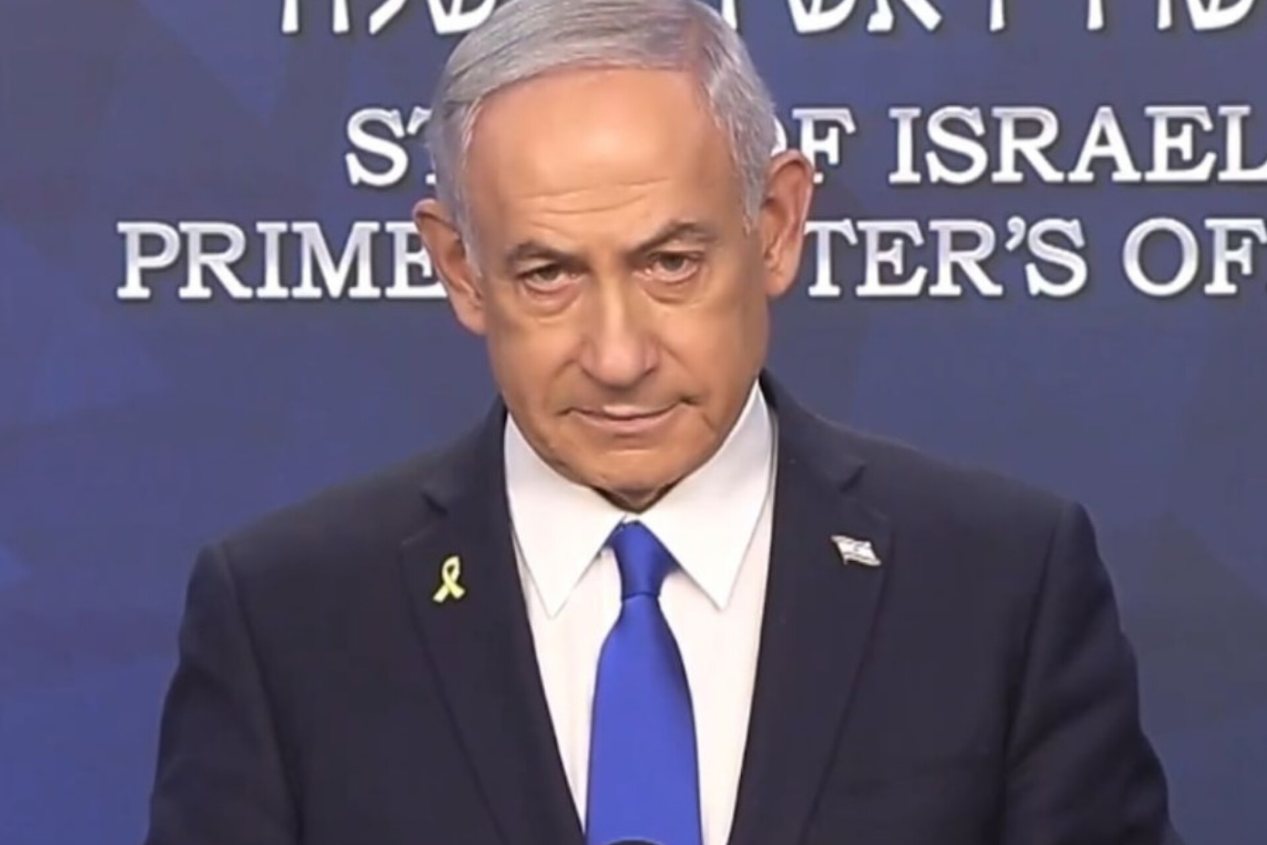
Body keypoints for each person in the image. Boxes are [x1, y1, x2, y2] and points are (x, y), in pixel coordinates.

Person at [143, 1, 1180, 843]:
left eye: (671, 263)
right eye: (548, 274)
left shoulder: (998, 585)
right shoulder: (288, 618)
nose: (618, 354)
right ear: (460, 268)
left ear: (776, 227)